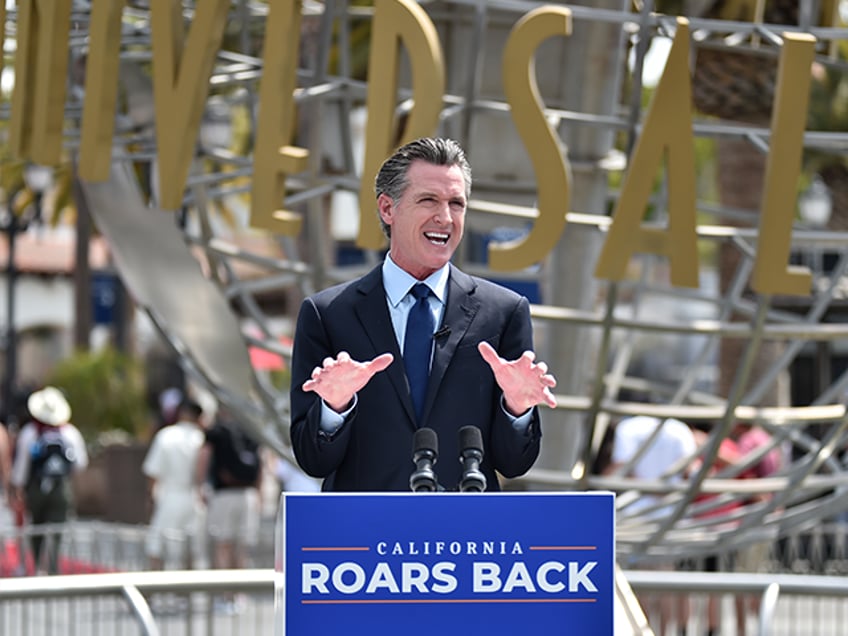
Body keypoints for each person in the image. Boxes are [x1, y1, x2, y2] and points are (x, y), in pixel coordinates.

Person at [290, 137, 557, 492]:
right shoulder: (327, 315)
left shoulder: (505, 312)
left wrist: (517, 408)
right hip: (363, 534)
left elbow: (514, 463)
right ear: (388, 209)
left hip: (465, 535)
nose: (445, 218)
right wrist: (334, 407)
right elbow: (312, 460)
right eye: (428, 200)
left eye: (456, 203)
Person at [603, 414, 698, 636]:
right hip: (669, 519)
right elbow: (691, 472)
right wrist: (663, 489)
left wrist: (648, 487)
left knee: (638, 589)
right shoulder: (680, 428)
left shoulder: (628, 427)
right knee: (665, 584)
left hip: (635, 519)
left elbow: (621, 468)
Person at [9, 386, 89, 575]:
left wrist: (18, 489)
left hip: (36, 488)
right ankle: (53, 570)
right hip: (61, 488)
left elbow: (21, 467)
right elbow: (80, 464)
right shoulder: (70, 433)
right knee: (56, 531)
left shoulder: (30, 433)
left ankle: (37, 567)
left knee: (37, 528)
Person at [142, 398, 206, 570]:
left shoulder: (166, 436)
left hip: (169, 498)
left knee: (157, 547)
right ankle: (191, 594)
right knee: (192, 550)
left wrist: (151, 497)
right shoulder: (201, 438)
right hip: (194, 500)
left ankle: (158, 592)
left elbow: (152, 471)